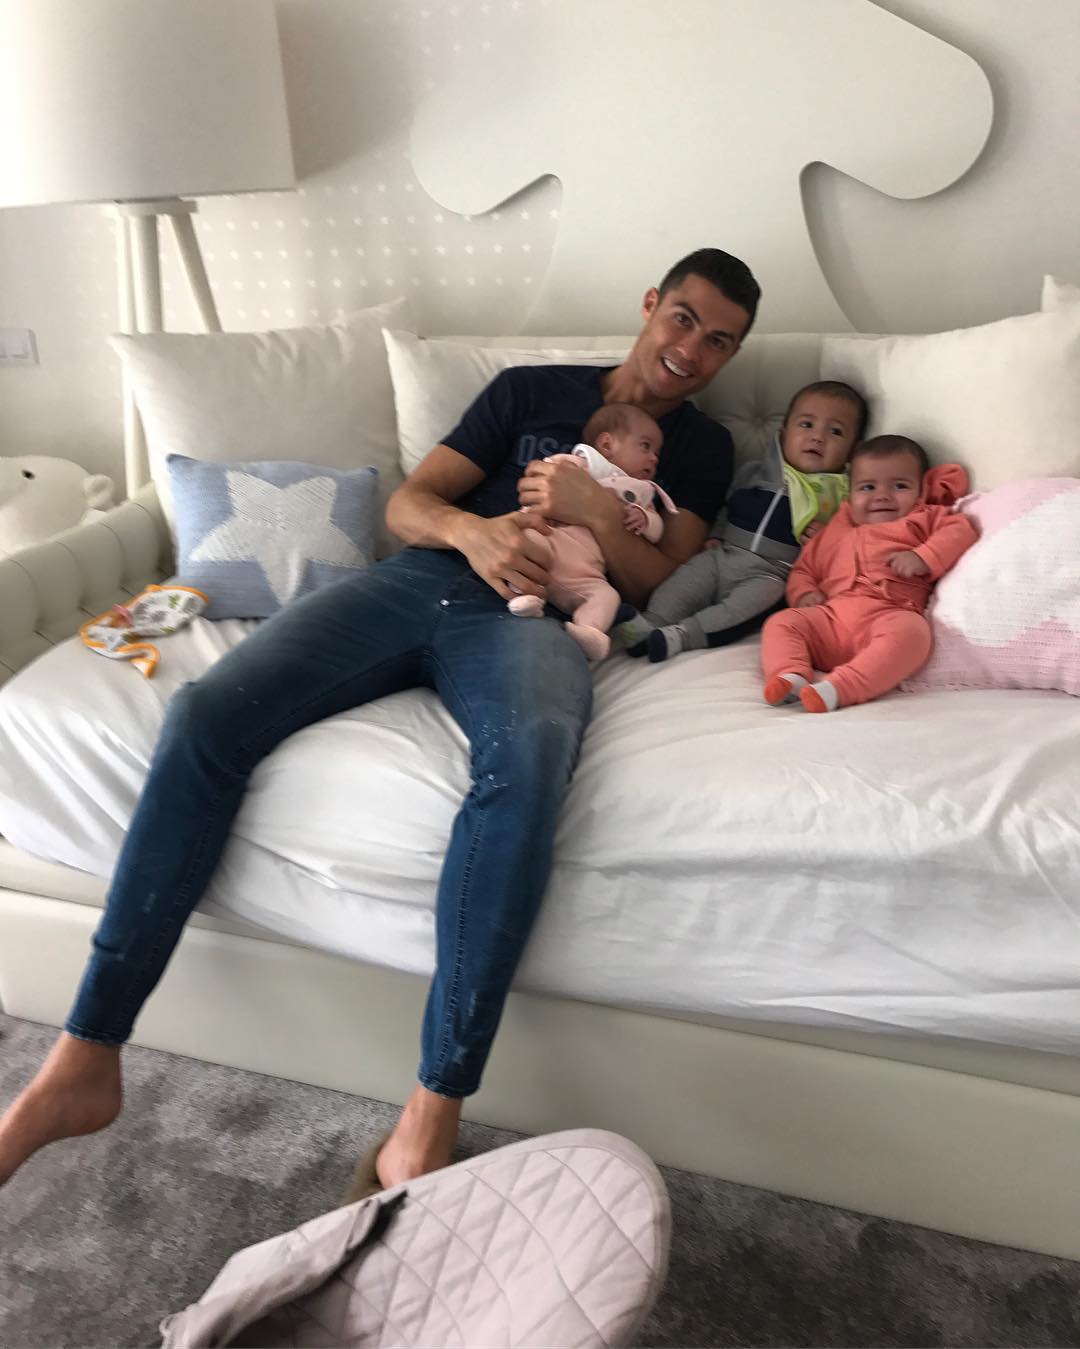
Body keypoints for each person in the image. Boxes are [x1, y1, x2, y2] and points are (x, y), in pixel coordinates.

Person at [0, 247, 761, 1192]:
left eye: (720, 340)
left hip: (531, 623)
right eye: (684, 318)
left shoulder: (702, 449)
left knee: (528, 763)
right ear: (650, 304)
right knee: (204, 712)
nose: (692, 349)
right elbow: (409, 503)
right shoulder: (530, 390)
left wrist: (597, 516)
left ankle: (432, 1109)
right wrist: (472, 531)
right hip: (419, 579)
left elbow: (661, 583)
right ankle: (86, 1054)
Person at [614, 380, 866, 661]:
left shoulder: (842, 499)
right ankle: (650, 623)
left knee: (750, 605)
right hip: (723, 555)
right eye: (806, 425)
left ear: (853, 451)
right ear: (783, 434)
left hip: (771, 573)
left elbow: (849, 548)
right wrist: (717, 534)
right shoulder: (753, 472)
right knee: (684, 583)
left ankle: (682, 635)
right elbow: (728, 505)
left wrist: (826, 541)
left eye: (835, 431)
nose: (818, 437)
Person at [761, 434, 978, 713]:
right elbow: (805, 569)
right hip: (831, 620)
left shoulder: (924, 517)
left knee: (914, 634)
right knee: (782, 622)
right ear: (850, 495)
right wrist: (804, 593)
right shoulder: (833, 532)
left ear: (921, 491)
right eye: (868, 487)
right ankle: (790, 675)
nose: (882, 496)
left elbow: (960, 530)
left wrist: (923, 556)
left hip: (889, 614)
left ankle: (840, 688)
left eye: (900, 486)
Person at [508, 402, 678, 660]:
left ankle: (589, 631)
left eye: (657, 453)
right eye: (645, 446)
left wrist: (644, 518)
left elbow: (656, 531)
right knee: (526, 539)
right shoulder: (584, 465)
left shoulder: (641, 494)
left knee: (607, 596)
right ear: (607, 445)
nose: (654, 458)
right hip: (550, 541)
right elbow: (549, 475)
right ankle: (527, 598)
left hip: (584, 575)